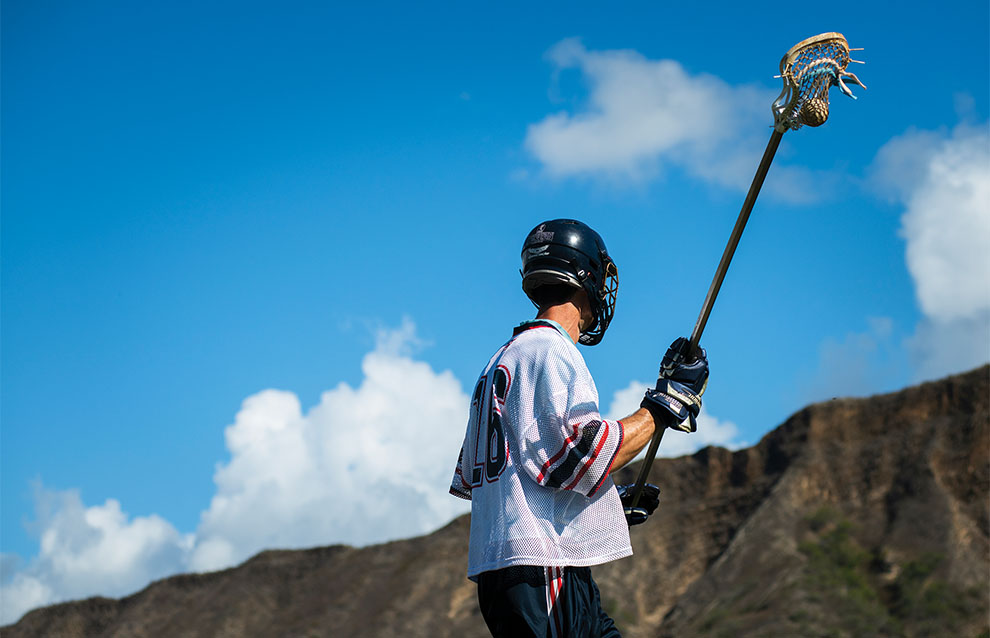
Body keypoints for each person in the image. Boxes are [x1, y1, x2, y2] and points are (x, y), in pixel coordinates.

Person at [450, 219, 709, 638]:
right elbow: (583, 455)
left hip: (523, 568)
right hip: (541, 571)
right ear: (583, 276)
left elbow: (525, 473)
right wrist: (667, 402)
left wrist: (602, 507)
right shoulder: (550, 351)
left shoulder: (500, 361)